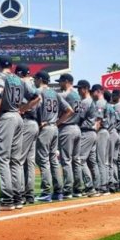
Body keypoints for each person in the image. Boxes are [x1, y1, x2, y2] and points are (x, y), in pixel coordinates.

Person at [0, 55, 38, 210]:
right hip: (18, 118)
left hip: (6, 117)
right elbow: (36, 97)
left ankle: (7, 198)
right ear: (12, 66)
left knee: (3, 159)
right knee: (16, 160)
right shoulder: (19, 80)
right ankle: (18, 197)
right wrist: (22, 110)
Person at [33, 71, 68, 201]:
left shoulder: (38, 91)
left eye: (36, 78)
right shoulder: (55, 93)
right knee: (53, 160)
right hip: (54, 128)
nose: (34, 80)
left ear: (40, 79)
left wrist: (40, 122)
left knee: (43, 160)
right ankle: (58, 191)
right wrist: (57, 122)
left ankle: (46, 191)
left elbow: (33, 109)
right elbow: (69, 110)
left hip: (46, 127)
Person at [16, 64, 41, 204]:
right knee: (29, 161)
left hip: (27, 121)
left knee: (19, 159)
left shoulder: (24, 82)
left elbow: (37, 98)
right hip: (35, 123)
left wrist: (24, 108)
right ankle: (29, 194)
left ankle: (19, 194)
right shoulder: (32, 84)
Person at [75, 80, 101, 197]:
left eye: (80, 88)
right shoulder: (91, 101)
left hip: (86, 132)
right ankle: (96, 186)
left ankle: (90, 187)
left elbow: (79, 118)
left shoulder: (86, 101)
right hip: (92, 132)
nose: (78, 90)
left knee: (80, 160)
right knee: (91, 162)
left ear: (85, 88)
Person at [56, 74, 80, 198]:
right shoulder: (77, 95)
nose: (59, 84)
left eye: (60, 82)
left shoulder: (66, 94)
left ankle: (68, 189)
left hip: (67, 128)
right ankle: (78, 188)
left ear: (66, 81)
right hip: (77, 128)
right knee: (76, 160)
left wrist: (57, 122)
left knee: (66, 160)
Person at [91, 85, 111, 195]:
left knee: (100, 160)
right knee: (104, 160)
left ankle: (102, 187)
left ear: (98, 91)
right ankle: (105, 185)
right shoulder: (106, 103)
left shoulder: (99, 103)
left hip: (101, 132)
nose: (92, 93)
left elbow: (98, 121)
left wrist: (93, 132)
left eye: (93, 91)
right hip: (106, 132)